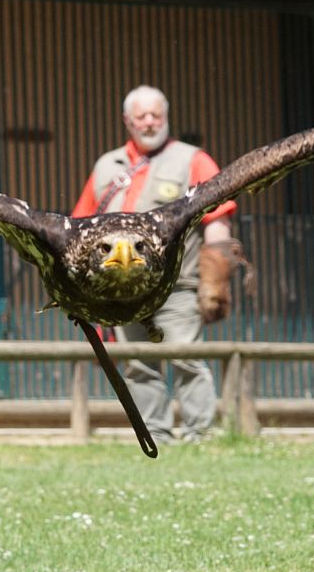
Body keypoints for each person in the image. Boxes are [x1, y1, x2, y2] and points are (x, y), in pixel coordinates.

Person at [72, 85, 243, 443]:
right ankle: (157, 436)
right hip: (123, 289)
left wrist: (216, 280)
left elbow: (218, 220)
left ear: (166, 117)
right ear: (127, 121)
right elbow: (81, 225)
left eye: (156, 115)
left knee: (186, 359)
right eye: (141, 116)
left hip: (176, 286)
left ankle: (201, 436)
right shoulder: (107, 166)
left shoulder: (193, 160)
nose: (149, 122)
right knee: (137, 363)